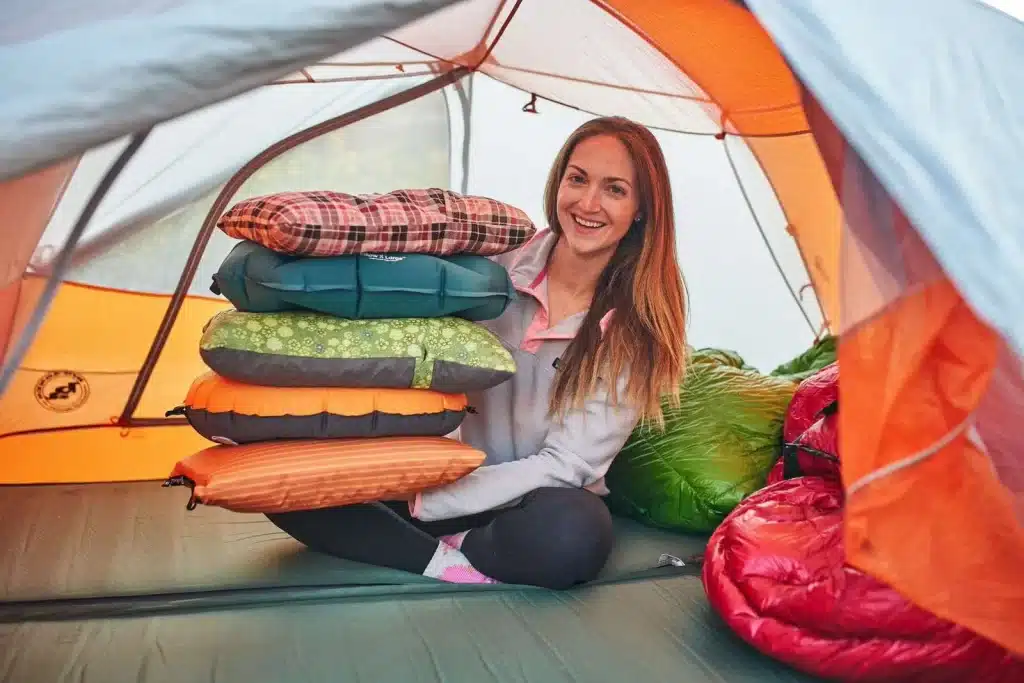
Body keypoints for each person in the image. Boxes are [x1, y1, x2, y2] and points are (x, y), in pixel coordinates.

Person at [266, 116, 688, 590]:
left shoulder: (634, 329)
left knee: (575, 532)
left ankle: (442, 544)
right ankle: (442, 562)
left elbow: (566, 465)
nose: (588, 204)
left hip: (526, 502)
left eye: (615, 189)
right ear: (558, 182)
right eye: (578, 179)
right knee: (279, 473)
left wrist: (435, 501)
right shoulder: (493, 266)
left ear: (641, 210)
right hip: (427, 473)